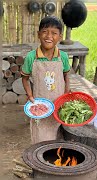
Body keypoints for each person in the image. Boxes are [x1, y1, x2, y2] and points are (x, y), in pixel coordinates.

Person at [21, 16, 70, 144]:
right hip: (40, 107)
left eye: (54, 33)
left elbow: (66, 76)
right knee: (41, 141)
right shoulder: (31, 57)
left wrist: (66, 95)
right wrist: (30, 95)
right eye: (44, 31)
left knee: (59, 139)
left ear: (60, 37)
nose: (49, 36)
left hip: (59, 106)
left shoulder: (63, 56)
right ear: (38, 34)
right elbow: (25, 78)